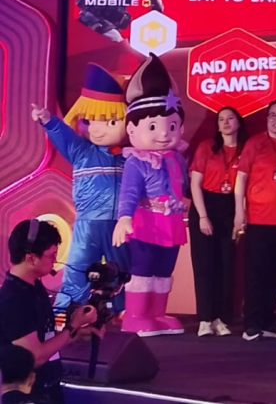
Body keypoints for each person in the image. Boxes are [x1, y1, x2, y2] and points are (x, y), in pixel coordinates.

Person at [29, 63, 129, 314]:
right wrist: (47, 120)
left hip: (120, 223)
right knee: (77, 267)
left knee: (123, 269)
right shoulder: (82, 151)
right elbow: (63, 135)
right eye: (90, 121)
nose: (97, 129)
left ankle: (123, 312)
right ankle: (64, 311)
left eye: (110, 121)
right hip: (87, 223)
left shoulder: (130, 156)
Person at [112, 53, 189, 337]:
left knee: (164, 269)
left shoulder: (176, 158)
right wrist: (124, 218)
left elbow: (183, 185)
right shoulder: (137, 161)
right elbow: (129, 192)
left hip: (172, 223)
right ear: (132, 129)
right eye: (153, 127)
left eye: (172, 126)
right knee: (143, 269)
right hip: (146, 223)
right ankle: (135, 316)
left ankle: (157, 314)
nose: (164, 134)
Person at [0, 220, 103, 404]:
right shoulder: (13, 299)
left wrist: (76, 334)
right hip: (27, 396)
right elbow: (35, 357)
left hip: (48, 388)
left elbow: (45, 340)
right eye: (51, 255)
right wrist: (72, 325)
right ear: (31, 258)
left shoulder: (34, 286)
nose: (55, 260)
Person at [234, 98, 276, 342]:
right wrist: (239, 212)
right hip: (258, 220)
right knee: (256, 273)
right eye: (272, 115)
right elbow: (241, 179)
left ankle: (268, 320)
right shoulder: (255, 143)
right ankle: (252, 323)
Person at [188, 107, 247, 337]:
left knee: (226, 265)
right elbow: (195, 184)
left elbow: (245, 185)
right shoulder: (207, 147)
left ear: (238, 122)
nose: (225, 123)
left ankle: (221, 319)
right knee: (204, 265)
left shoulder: (246, 149)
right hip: (205, 205)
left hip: (230, 206)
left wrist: (240, 214)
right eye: (221, 119)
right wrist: (203, 216)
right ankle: (205, 319)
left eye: (230, 118)